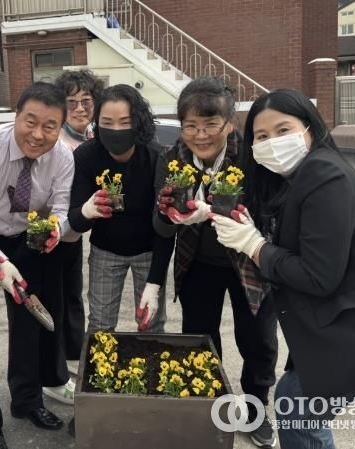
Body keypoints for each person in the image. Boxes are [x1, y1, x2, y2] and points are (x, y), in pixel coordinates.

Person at [211, 88, 355, 449]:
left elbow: (318, 277)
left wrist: (255, 246)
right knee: (295, 404)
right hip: (347, 331)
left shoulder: (324, 175)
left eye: (283, 130)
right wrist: (207, 213)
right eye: (261, 136)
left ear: (310, 128)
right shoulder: (295, 180)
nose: (273, 143)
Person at [153, 77, 278, 448]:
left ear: (229, 123)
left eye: (211, 124)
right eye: (191, 125)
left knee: (257, 338)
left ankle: (255, 406)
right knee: (200, 336)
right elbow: (160, 226)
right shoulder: (171, 158)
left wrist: (234, 219)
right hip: (198, 260)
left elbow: (270, 210)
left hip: (249, 258)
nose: (201, 135)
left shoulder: (251, 157)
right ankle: (212, 404)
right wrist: (169, 214)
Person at [0, 82, 74, 449]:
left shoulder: (63, 156)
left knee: (29, 323)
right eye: (30, 122)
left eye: (50, 126)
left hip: (26, 238)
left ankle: (27, 401)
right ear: (16, 116)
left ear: (60, 127)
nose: (38, 134)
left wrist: (55, 229)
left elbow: (61, 208)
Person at [68, 84, 171, 335]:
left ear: (138, 122)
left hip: (149, 249)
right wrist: (87, 211)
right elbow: (76, 221)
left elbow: (166, 224)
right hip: (106, 250)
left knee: (152, 324)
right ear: (97, 122)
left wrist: (155, 282)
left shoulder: (156, 157)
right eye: (107, 122)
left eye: (125, 122)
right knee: (100, 325)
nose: (115, 130)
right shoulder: (86, 156)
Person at [43, 70, 104, 405]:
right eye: (72, 102)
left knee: (72, 300)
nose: (80, 108)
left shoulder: (91, 136)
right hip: (51, 235)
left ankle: (69, 363)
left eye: (86, 101)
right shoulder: (57, 142)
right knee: (54, 305)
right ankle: (51, 377)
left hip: (73, 236)